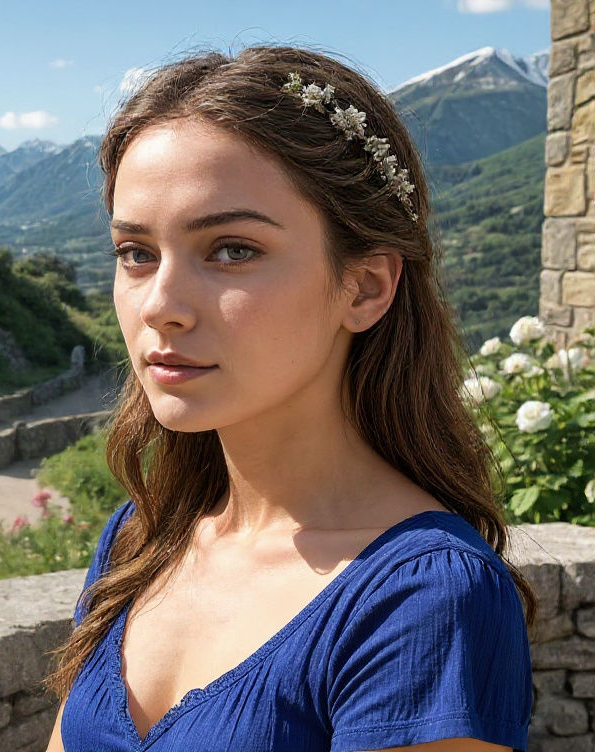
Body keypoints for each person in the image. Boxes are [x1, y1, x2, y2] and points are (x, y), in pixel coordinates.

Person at [43, 45, 536, 752]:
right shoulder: (141, 537)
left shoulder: (422, 602)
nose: (161, 306)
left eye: (232, 250)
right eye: (136, 253)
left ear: (365, 287)